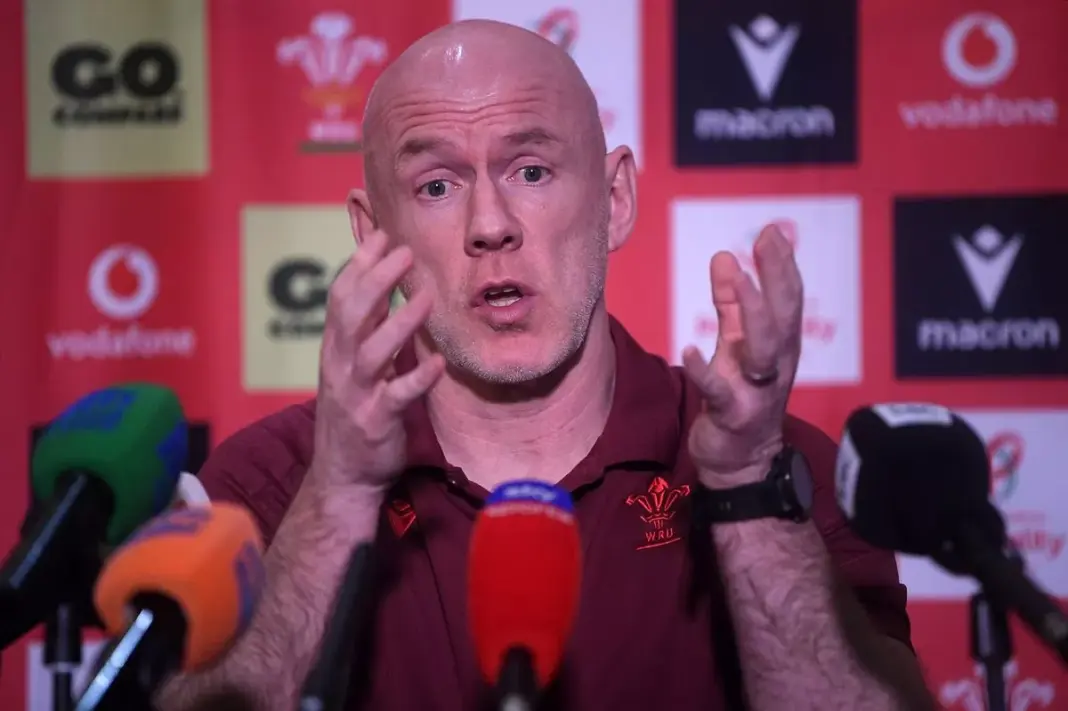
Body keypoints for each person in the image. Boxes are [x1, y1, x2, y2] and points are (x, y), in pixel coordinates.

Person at [158, 19, 936, 711]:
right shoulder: (271, 480)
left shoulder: (778, 466)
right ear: (372, 234)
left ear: (615, 199)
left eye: (531, 170)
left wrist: (745, 490)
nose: (490, 224)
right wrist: (340, 494)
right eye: (436, 185)